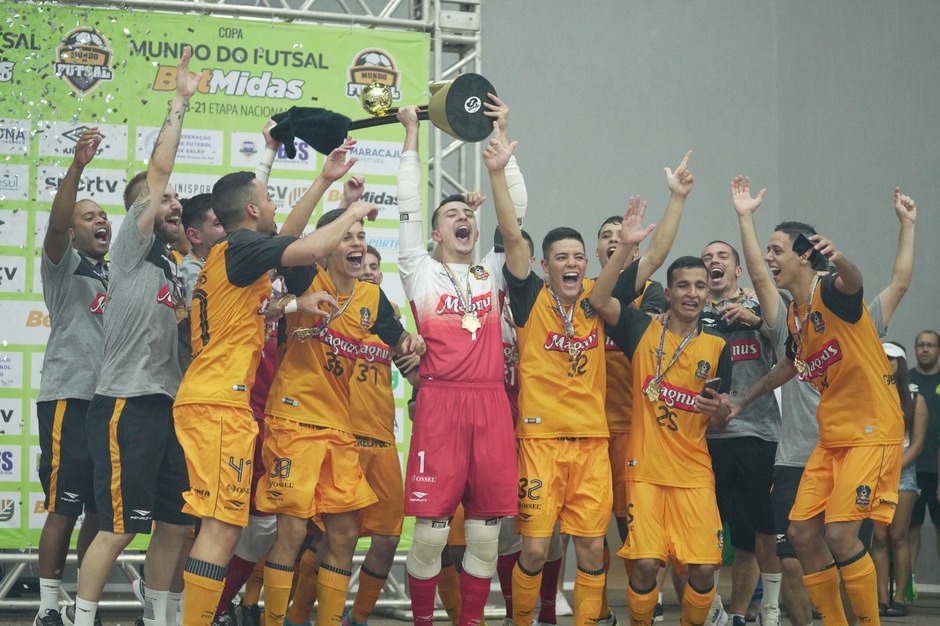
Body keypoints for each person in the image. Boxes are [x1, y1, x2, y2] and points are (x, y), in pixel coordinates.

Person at [173, 131, 381, 626]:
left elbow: (287, 240)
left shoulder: (236, 253)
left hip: (219, 402)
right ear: (251, 211)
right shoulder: (240, 247)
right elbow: (308, 248)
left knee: (225, 525)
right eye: (267, 199)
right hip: (217, 402)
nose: (272, 205)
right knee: (221, 527)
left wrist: (324, 180)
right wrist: (351, 212)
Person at [729, 179, 916, 626]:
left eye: (777, 250)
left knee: (840, 535)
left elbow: (856, 281)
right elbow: (789, 365)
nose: (769, 258)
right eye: (767, 250)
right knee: (800, 533)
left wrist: (843, 256)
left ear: (805, 256)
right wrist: (742, 399)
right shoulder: (796, 317)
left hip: (872, 430)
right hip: (832, 438)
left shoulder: (830, 291)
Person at [72, 47, 206, 626]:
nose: (175, 203)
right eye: (165, 199)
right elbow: (158, 171)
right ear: (142, 213)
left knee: (177, 524)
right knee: (120, 527)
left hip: (170, 406)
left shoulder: (176, 270)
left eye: (177, 200)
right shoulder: (131, 247)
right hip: (125, 402)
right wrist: (179, 101)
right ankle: (79, 617)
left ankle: (160, 618)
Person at [256, 206, 425, 626]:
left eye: (361, 236)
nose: (357, 243)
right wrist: (296, 302)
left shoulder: (371, 298)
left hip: (339, 430)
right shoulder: (306, 278)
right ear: (328, 245)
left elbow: (399, 340)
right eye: (347, 236)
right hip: (293, 422)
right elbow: (277, 265)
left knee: (345, 534)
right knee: (293, 531)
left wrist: (413, 342)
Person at [395, 98, 524, 626]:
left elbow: (515, 219)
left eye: (467, 214)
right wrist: (410, 135)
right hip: (440, 404)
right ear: (435, 233)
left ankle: (469, 621)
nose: (462, 218)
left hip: (491, 405)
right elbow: (408, 205)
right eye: (451, 215)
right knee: (429, 536)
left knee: (485, 537)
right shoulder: (418, 270)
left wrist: (502, 142)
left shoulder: (492, 270)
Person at [591, 218, 733, 626]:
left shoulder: (717, 346)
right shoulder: (641, 329)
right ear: (668, 293)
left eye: (700, 286)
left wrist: (720, 411)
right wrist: (626, 246)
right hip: (646, 471)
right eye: (684, 286)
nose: (693, 293)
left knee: (703, 569)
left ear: (707, 293)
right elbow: (599, 298)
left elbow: (722, 416)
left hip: (693, 473)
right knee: (645, 565)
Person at [33, 127, 110, 626]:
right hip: (68, 397)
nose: (100, 220)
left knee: (100, 512)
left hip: (109, 403)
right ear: (74, 232)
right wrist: (77, 168)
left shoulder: (116, 273)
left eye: (103, 214)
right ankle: (46, 608)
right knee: (64, 506)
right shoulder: (63, 264)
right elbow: (56, 224)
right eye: (89, 216)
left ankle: (85, 607)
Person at [699, 239, 782, 626]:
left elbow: (789, 348)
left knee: (757, 530)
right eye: (707, 258)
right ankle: (710, 607)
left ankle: (757, 609)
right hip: (707, 437)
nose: (713, 261)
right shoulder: (693, 308)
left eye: (722, 256)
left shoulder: (761, 304)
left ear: (737, 270)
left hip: (758, 432)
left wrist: (757, 322)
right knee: (709, 530)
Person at [595, 214, 666, 624]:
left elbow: (649, 326)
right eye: (605, 236)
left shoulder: (649, 291)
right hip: (588, 427)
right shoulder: (587, 293)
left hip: (632, 427)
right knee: (589, 527)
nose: (613, 240)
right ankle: (597, 608)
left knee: (629, 524)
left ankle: (644, 604)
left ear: (634, 249)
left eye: (619, 236)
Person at [871, 342, 927, 617]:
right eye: (882, 358)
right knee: (879, 537)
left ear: (901, 364)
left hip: (903, 469)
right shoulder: (870, 393)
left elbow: (917, 444)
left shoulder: (915, 398)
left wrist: (892, 468)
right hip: (872, 468)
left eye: (892, 359)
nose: (887, 363)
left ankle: (900, 598)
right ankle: (881, 599)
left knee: (898, 535)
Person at [908, 329, 940, 595]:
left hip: (939, 470)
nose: (925, 349)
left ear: (938, 350)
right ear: (916, 349)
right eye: (921, 345)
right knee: (910, 528)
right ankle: (909, 584)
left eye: (931, 345)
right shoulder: (906, 380)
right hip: (911, 469)